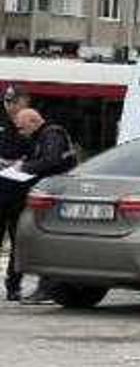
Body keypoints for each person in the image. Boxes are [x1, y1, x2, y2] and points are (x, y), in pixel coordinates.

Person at [12, 109, 76, 303]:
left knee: (47, 240)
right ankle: (47, 287)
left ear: (34, 121)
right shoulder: (45, 135)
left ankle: (47, 289)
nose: (21, 132)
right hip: (55, 193)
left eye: (22, 128)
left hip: (57, 195)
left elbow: (51, 161)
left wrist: (24, 168)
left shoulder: (52, 134)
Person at [0, 86, 33, 301]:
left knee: (19, 242)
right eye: (7, 101)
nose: (10, 106)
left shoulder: (31, 124)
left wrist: (24, 163)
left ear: (25, 102)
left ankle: (14, 285)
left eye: (15, 102)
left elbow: (40, 154)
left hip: (20, 191)